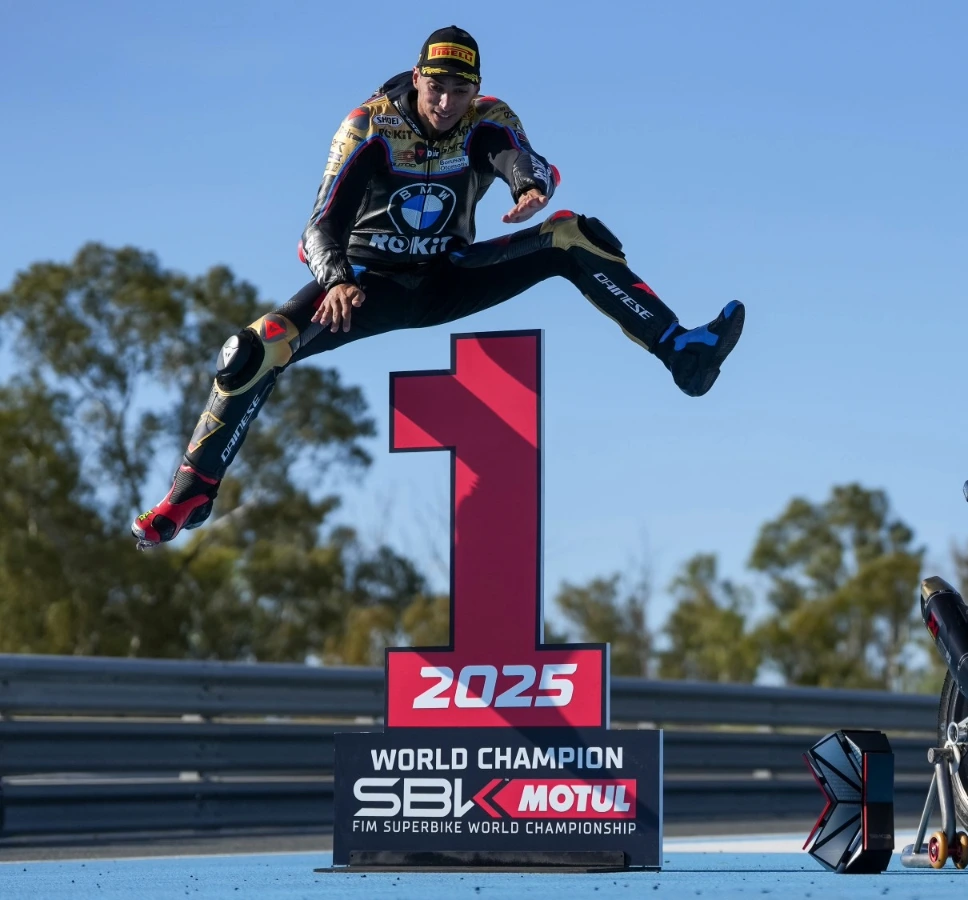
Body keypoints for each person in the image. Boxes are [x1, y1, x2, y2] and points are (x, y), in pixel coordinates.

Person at [133, 26, 744, 549]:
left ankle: (681, 351)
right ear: (417, 78)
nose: (447, 103)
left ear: (475, 90)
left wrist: (530, 185)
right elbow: (318, 227)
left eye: (460, 91)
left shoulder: (486, 116)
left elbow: (520, 157)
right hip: (365, 288)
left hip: (451, 276)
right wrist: (337, 279)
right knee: (253, 349)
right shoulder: (369, 124)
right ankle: (193, 490)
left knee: (571, 234)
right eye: (436, 88)